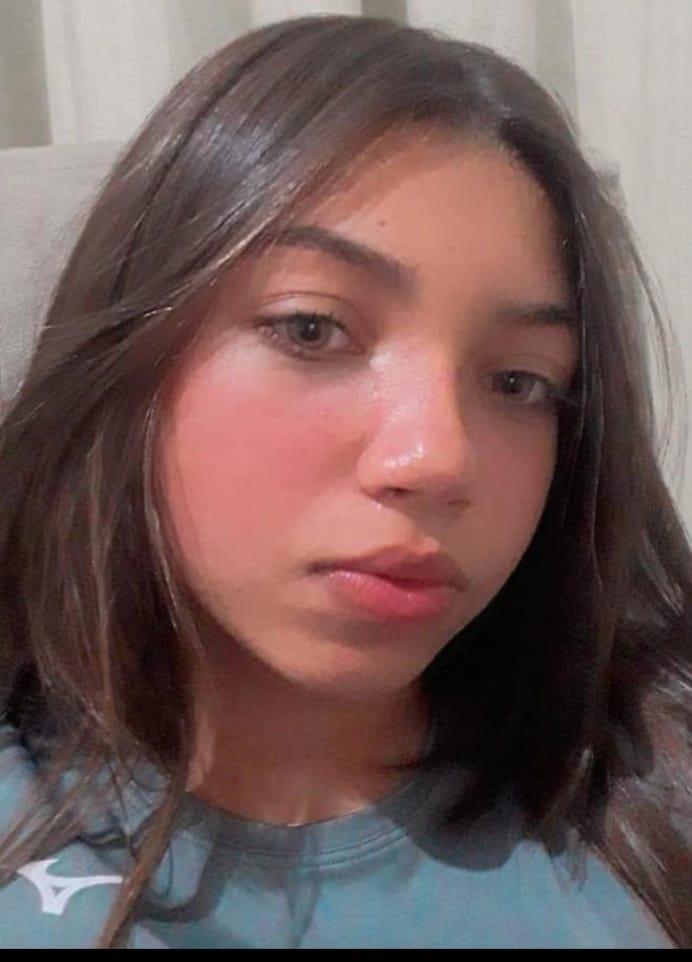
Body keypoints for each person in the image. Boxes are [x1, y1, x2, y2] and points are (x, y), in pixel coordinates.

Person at [0, 13, 688, 950]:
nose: (437, 460)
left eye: (518, 382)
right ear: (130, 357)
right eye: (312, 329)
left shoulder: (646, 789)